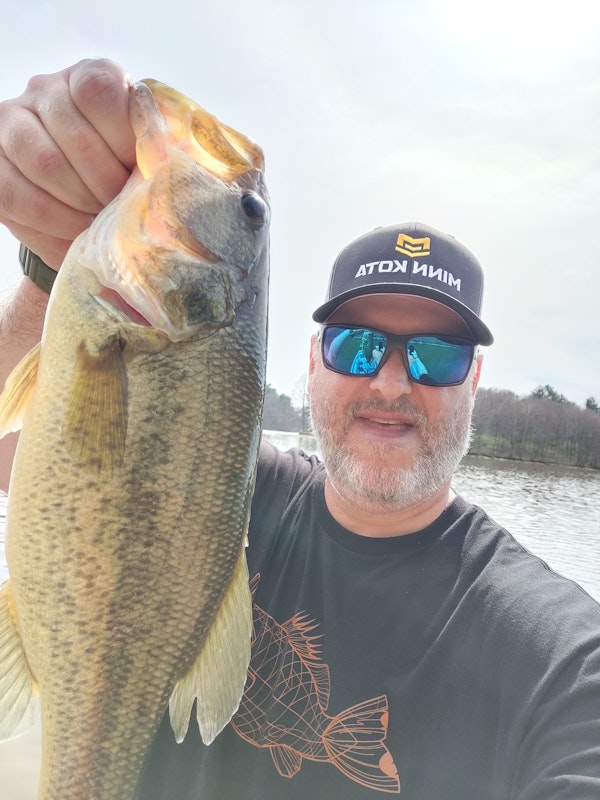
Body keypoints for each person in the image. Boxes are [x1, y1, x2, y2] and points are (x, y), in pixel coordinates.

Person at [1, 59, 600, 800]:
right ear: (313, 362)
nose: (391, 382)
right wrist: (51, 265)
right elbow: (22, 449)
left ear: (473, 381)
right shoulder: (217, 488)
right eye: (356, 346)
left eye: (438, 356)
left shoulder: (559, 660)